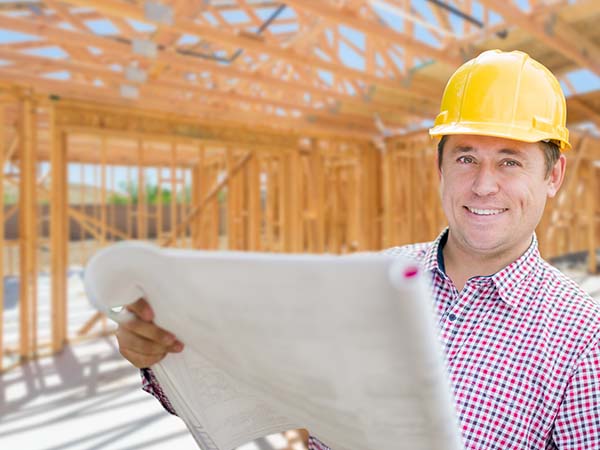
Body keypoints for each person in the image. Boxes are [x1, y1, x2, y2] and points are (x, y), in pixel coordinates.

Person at [115, 50, 600, 449]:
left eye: (510, 161)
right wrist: (163, 356)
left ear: (552, 176)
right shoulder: (372, 278)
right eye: (466, 157)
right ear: (440, 168)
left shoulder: (582, 339)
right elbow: (254, 391)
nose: (483, 185)